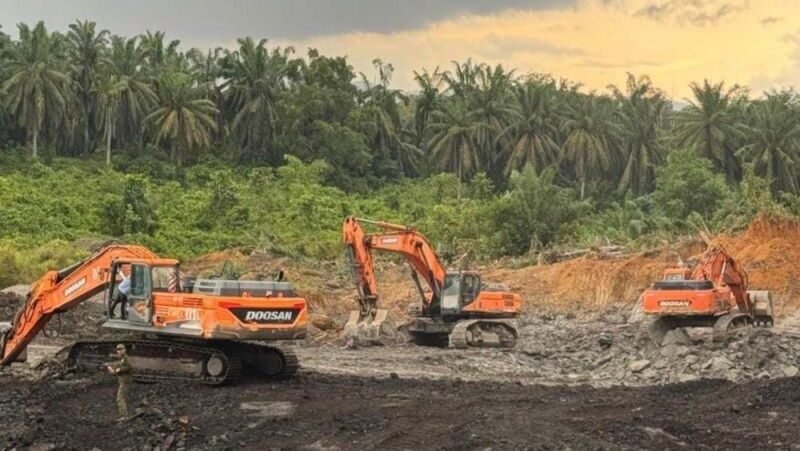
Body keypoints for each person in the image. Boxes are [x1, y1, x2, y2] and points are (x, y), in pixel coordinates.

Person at [106, 343, 133, 420]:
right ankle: (124, 415)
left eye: (121, 349)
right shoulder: (122, 359)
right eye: (118, 349)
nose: (119, 351)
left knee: (120, 398)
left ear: (125, 350)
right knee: (123, 398)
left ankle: (124, 416)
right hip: (124, 381)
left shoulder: (126, 358)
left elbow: (128, 367)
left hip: (125, 381)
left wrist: (116, 370)